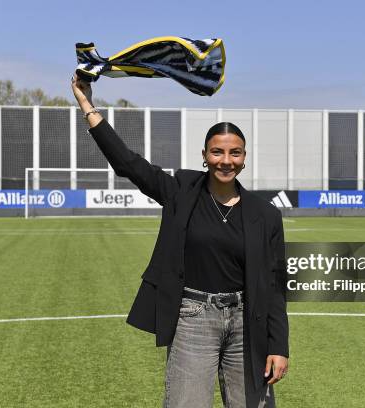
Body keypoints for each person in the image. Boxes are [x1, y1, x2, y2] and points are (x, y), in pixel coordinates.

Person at [71, 74, 289, 408]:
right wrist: (88, 106)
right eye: (217, 152)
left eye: (234, 153)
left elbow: (274, 288)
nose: (225, 161)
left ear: (244, 157)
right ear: (204, 155)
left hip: (247, 325)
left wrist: (278, 347)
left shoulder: (266, 215)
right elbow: (129, 164)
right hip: (193, 319)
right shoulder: (180, 192)